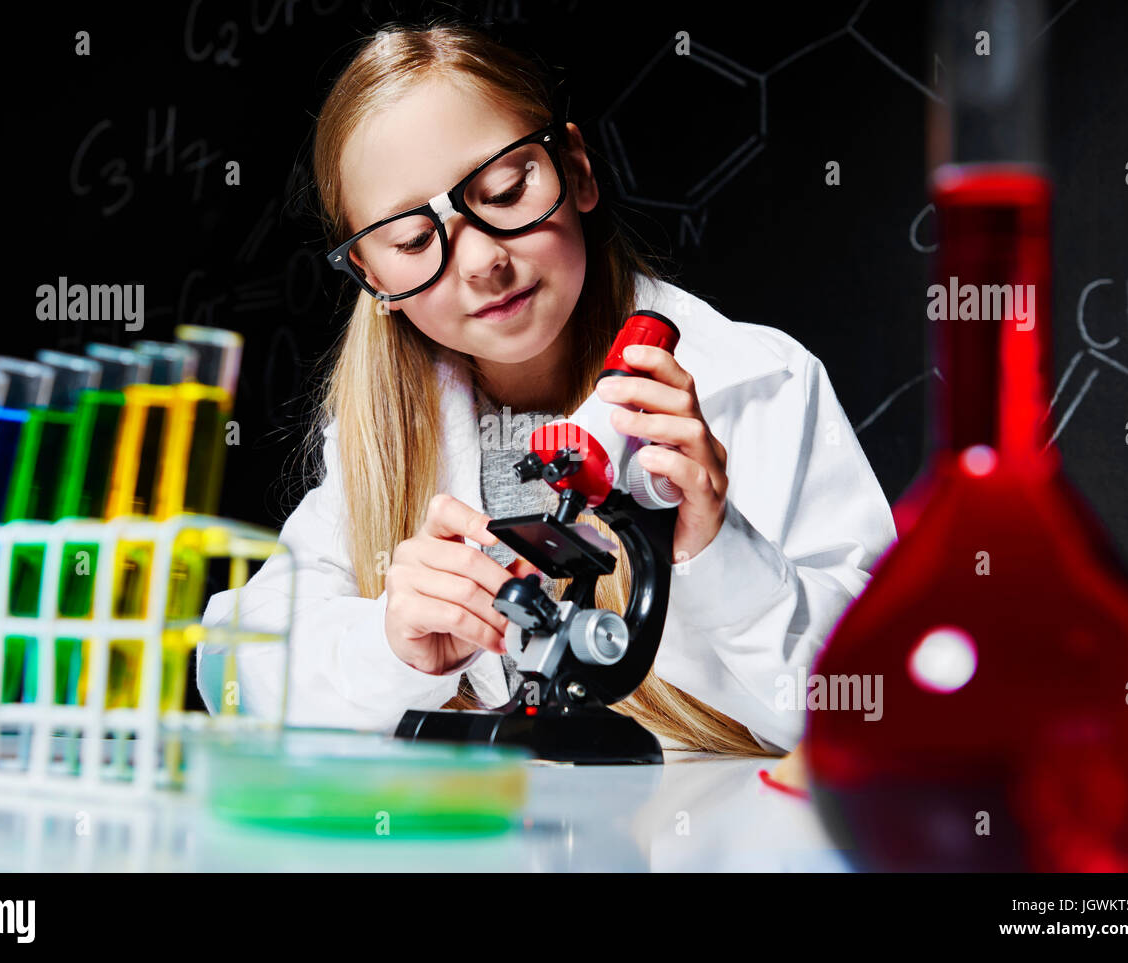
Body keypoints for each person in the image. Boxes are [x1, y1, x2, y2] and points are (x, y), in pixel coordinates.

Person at [196, 22, 896, 755]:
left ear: (578, 170)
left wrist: (718, 552)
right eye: (410, 241)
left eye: (504, 189)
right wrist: (388, 647)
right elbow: (227, 676)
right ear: (376, 281)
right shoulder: (385, 435)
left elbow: (882, 705)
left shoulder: (760, 385)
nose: (480, 262)